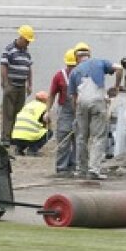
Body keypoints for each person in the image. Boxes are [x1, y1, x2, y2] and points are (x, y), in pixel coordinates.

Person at [69, 42, 123, 180]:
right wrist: (116, 87)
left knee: (81, 138)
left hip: (81, 103)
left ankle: (81, 170)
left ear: (76, 57)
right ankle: (94, 170)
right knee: (98, 137)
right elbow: (119, 68)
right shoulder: (99, 62)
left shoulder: (74, 72)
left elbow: (74, 97)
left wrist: (77, 115)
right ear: (89, 54)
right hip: (98, 102)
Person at [0, 24, 35, 142]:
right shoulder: (9, 49)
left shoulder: (27, 52)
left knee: (18, 113)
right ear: (21, 37)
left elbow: (29, 68)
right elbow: (3, 65)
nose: (28, 43)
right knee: (8, 113)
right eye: (27, 41)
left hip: (21, 86)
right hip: (12, 85)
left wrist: (29, 84)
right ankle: (6, 138)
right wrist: (5, 83)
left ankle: (15, 137)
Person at [48, 48, 78, 177]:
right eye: (70, 66)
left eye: (74, 66)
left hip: (79, 110)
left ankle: (75, 165)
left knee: (78, 138)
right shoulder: (59, 76)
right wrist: (47, 111)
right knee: (63, 138)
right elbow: (52, 94)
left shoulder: (83, 75)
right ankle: (61, 168)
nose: (72, 69)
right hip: (65, 111)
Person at [9, 91, 50, 156]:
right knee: (49, 132)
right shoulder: (44, 107)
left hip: (16, 136)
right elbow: (46, 123)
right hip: (28, 137)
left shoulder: (28, 105)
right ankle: (32, 150)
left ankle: (19, 149)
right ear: (45, 100)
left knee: (27, 131)